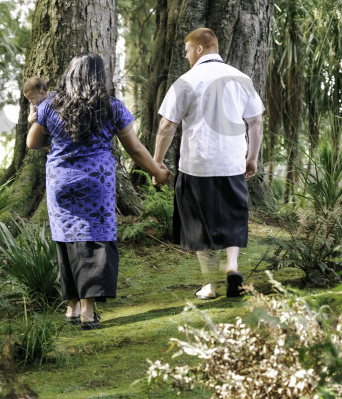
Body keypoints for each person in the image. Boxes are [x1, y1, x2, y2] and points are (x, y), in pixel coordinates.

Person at [27, 53, 171, 329]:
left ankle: (71, 308)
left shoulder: (50, 106)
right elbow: (135, 149)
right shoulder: (111, 107)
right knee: (93, 240)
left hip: (60, 181)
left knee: (67, 239)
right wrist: (158, 172)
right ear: (98, 77)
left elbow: (32, 143)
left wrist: (52, 142)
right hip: (96, 182)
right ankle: (87, 313)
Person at [152, 28, 264, 300]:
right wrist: (252, 157)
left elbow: (168, 124)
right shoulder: (242, 78)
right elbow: (256, 121)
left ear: (200, 49)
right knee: (233, 216)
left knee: (199, 224)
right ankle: (233, 268)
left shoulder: (186, 81)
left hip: (197, 165)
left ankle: (210, 285)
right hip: (232, 163)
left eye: (188, 50)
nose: (187, 56)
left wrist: (157, 163)